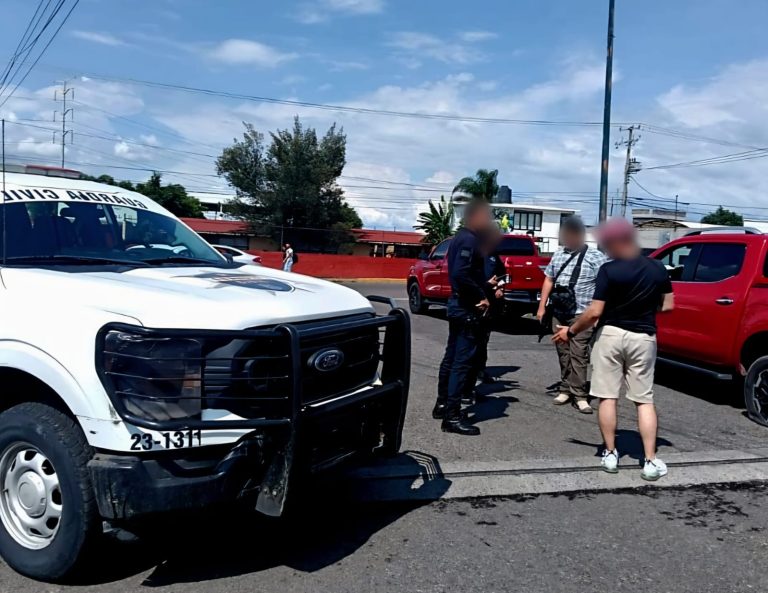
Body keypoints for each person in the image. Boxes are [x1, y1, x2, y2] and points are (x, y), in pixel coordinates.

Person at [552, 218, 674, 481]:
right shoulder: (657, 268)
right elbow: (668, 306)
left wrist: (569, 331)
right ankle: (650, 461)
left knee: (608, 397)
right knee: (644, 400)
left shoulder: (609, 270)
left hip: (611, 335)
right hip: (643, 336)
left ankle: (610, 454)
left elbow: (595, 311)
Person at [433, 200, 492, 436]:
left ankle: (443, 404)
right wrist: (481, 295)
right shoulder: (468, 239)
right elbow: (460, 273)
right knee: (461, 363)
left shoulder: (460, 238)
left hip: (458, 304)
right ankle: (452, 416)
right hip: (466, 307)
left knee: (451, 358)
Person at [537, 216, 606, 414]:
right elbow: (548, 279)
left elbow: (605, 284)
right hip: (559, 311)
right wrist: (542, 306)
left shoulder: (595, 257)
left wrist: (599, 311)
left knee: (579, 354)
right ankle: (565, 388)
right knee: (563, 353)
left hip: (582, 314)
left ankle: (580, 395)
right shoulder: (558, 255)